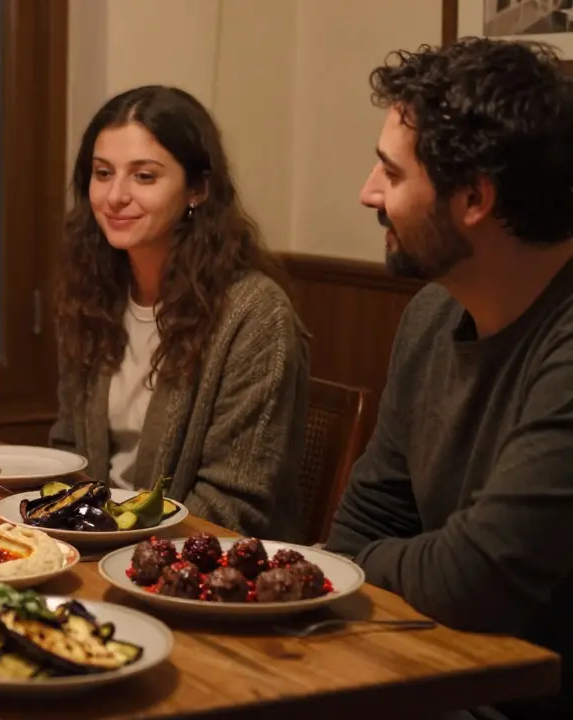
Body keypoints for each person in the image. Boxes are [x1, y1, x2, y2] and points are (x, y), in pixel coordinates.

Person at [325, 38, 573, 719]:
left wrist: (372, 561)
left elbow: (479, 577)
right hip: (431, 675)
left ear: (474, 198)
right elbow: (359, 529)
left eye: (391, 174)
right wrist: (385, 559)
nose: (367, 193)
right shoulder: (434, 314)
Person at [49, 86, 310, 540]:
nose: (114, 196)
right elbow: (69, 451)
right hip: (96, 548)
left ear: (198, 189)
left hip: (202, 567)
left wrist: (115, 540)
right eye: (102, 173)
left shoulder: (254, 313)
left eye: (144, 177)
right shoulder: (91, 294)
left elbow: (233, 504)